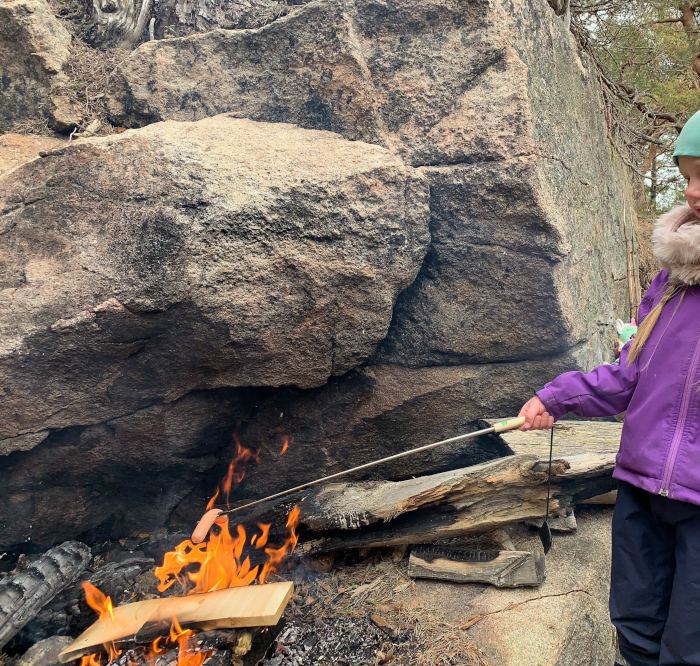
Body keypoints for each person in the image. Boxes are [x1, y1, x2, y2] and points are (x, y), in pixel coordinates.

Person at [519, 111, 700, 666]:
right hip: (643, 487)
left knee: (689, 644)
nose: (693, 193)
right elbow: (628, 374)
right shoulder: (672, 278)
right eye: (687, 176)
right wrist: (556, 396)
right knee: (635, 625)